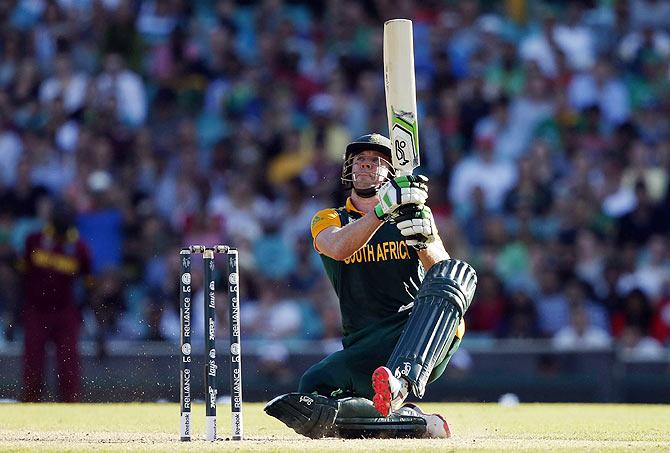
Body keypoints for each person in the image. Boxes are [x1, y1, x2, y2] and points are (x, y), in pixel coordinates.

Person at [265, 134, 477, 438]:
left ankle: (401, 383)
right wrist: (382, 211)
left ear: (390, 172)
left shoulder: (414, 215)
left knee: (457, 275)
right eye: (360, 158)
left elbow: (444, 274)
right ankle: (413, 422)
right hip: (364, 343)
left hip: (416, 333)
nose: (366, 163)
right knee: (312, 395)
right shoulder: (329, 218)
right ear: (349, 168)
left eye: (376, 160)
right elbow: (336, 247)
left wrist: (424, 241)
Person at [20, 199, 93, 402]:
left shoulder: (79, 247)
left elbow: (89, 286)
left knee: (69, 363)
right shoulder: (34, 240)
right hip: (36, 310)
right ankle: (30, 407)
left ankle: (71, 408)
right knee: (32, 362)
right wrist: (16, 310)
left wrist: (90, 320)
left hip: (65, 311)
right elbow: (21, 277)